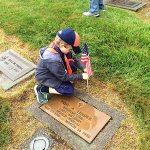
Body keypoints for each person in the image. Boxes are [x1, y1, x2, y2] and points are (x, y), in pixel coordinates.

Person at [34, 28, 89, 104]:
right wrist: (81, 76)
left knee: (72, 66)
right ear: (62, 45)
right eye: (70, 49)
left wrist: (84, 68)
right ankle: (42, 89)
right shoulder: (53, 60)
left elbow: (73, 59)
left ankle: (66, 74)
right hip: (47, 77)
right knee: (69, 90)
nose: (71, 51)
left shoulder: (60, 48)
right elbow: (64, 77)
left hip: (56, 69)